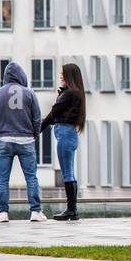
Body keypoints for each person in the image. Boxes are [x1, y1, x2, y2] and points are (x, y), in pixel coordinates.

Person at [0, 62, 45, 223]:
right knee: (31, 177)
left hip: (4, 139)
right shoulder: (30, 93)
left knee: (3, 179)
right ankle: (36, 211)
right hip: (27, 139)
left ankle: (2, 212)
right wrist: (34, 135)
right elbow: (37, 118)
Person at [41, 63, 87, 221]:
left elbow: (53, 113)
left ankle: (71, 210)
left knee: (67, 173)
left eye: (63, 73)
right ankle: (72, 210)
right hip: (69, 134)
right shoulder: (75, 93)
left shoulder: (69, 94)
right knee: (69, 172)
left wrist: (38, 129)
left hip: (65, 134)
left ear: (69, 76)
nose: (60, 76)